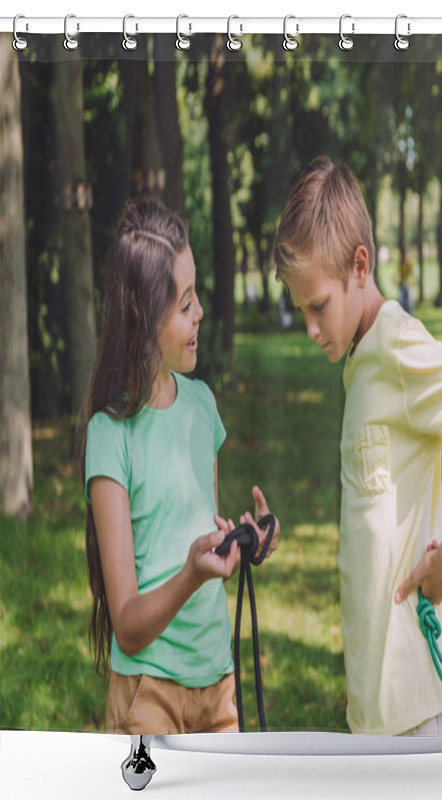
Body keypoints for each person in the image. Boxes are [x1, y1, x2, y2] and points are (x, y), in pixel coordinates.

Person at [274, 157, 442, 737]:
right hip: (375, 697)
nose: (309, 327)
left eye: (318, 306)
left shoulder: (397, 342)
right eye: (301, 307)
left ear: (361, 266)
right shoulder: (360, 359)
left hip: (410, 694)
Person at [77, 199, 279, 735]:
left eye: (197, 297)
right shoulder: (109, 435)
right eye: (185, 303)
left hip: (219, 685)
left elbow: (200, 534)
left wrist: (245, 540)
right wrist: (191, 574)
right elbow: (126, 626)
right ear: (145, 319)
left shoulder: (201, 406)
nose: (200, 314)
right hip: (148, 692)